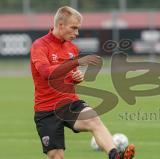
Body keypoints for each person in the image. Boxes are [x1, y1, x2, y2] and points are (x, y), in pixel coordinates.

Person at [30, 6, 135, 159]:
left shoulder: (72, 48)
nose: (76, 33)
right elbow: (46, 73)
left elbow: (67, 75)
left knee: (93, 119)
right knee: (56, 156)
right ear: (60, 25)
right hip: (46, 110)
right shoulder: (39, 45)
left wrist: (75, 77)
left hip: (69, 103)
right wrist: (75, 64)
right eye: (73, 28)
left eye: (78, 28)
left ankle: (115, 156)